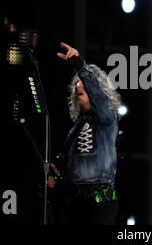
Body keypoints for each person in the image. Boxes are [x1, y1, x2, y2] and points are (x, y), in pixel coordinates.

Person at [49, 42, 122, 225]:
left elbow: (95, 91)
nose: (77, 86)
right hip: (75, 201)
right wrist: (59, 180)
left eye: (81, 81)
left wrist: (79, 64)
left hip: (100, 201)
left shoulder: (106, 116)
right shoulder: (76, 126)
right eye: (75, 83)